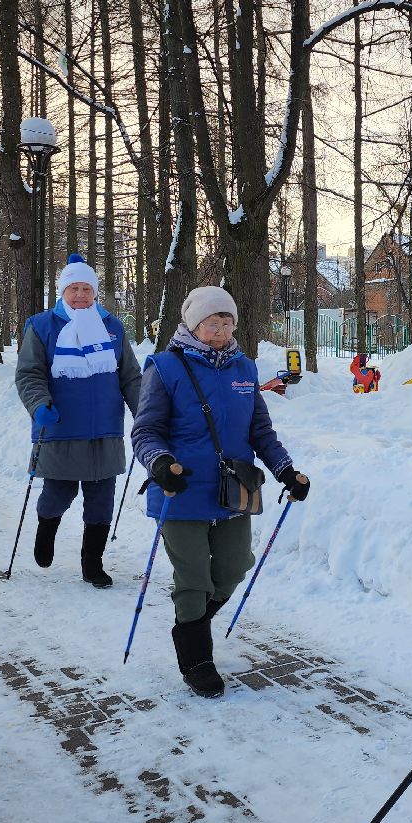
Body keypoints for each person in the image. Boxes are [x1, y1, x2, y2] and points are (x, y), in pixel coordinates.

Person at [131, 286, 311, 698]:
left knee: (232, 568)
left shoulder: (244, 369)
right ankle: (196, 658)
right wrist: (160, 464)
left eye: (227, 321)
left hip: (234, 490)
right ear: (194, 325)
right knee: (193, 579)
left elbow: (259, 431)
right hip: (180, 490)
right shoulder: (164, 367)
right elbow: (145, 431)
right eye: (212, 322)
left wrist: (286, 471)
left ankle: (193, 625)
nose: (221, 329)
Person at [15, 253, 142, 589]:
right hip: (60, 426)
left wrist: (144, 409)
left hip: (105, 429)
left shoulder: (112, 327)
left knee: (101, 502)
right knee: (59, 492)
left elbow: (129, 375)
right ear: (62, 292)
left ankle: (92, 564)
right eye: (74, 289)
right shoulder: (42, 326)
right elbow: (29, 373)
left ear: (95, 292)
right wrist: (39, 404)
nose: (81, 295)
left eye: (87, 288)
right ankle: (46, 528)